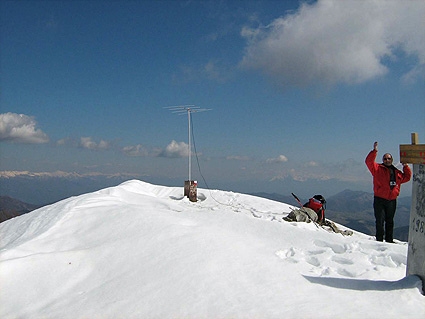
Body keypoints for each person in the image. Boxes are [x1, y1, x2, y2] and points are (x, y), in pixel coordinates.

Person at [365, 141, 411, 242]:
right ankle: (379, 240)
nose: (387, 160)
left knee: (390, 221)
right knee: (380, 221)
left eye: (389, 158)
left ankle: (389, 241)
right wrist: (374, 151)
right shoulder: (377, 169)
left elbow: (407, 177)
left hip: (392, 200)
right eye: (385, 159)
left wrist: (406, 166)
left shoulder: (397, 172)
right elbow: (368, 162)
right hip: (380, 200)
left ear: (392, 160)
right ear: (383, 160)